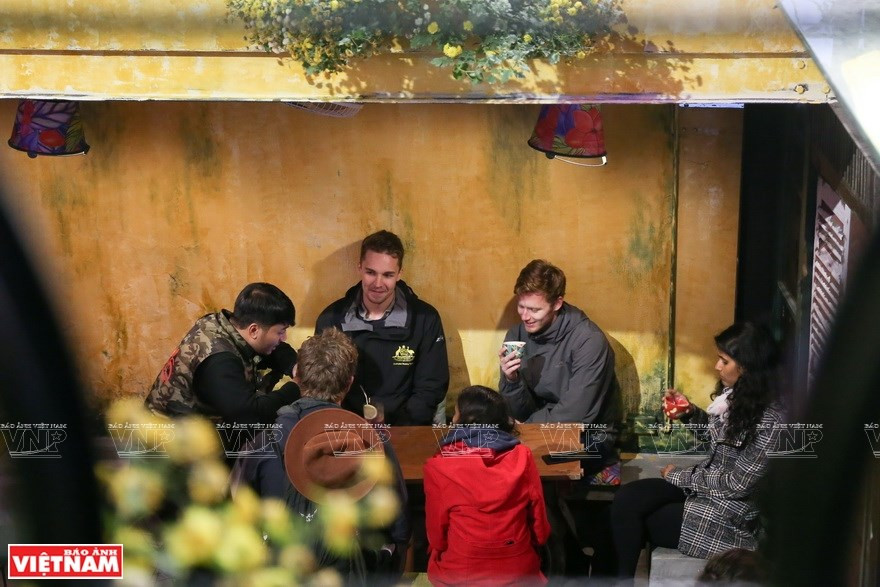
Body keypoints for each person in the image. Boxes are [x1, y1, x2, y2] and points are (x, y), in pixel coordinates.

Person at [234, 328, 411, 584]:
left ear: (298, 376)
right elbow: (398, 523)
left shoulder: (262, 443)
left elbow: (238, 516)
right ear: (349, 383)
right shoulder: (372, 440)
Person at [610, 322, 784, 578]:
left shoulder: (773, 420)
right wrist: (688, 413)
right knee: (629, 498)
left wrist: (679, 476)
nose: (717, 367)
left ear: (747, 367)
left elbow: (737, 484)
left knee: (641, 521)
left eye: (724, 361)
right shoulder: (736, 398)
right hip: (705, 494)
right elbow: (717, 443)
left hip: (730, 517)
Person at [315, 230, 449, 425]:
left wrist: (399, 429)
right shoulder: (331, 319)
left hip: (405, 428)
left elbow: (431, 387)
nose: (378, 284)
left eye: (387, 275)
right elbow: (323, 387)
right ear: (359, 268)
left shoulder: (425, 319)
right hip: (347, 428)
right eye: (371, 273)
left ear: (399, 274)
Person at [424, 385, 551, 586]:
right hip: (518, 569)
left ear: (464, 420)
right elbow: (539, 524)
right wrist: (537, 545)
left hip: (461, 572)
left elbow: (437, 536)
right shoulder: (522, 457)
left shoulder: (439, 465)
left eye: (455, 414)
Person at [498, 259, 619, 457]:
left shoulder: (588, 341)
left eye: (535, 310)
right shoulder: (517, 336)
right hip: (534, 426)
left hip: (589, 435)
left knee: (520, 457)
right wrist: (511, 381)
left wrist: (525, 430)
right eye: (521, 307)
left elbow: (575, 415)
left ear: (557, 303)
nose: (525, 316)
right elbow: (518, 411)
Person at [145, 282, 300, 425]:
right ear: (254, 330)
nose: (283, 338)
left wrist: (294, 366)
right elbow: (249, 416)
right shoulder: (220, 360)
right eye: (280, 332)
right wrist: (296, 387)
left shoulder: (221, 324)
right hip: (168, 445)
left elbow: (273, 350)